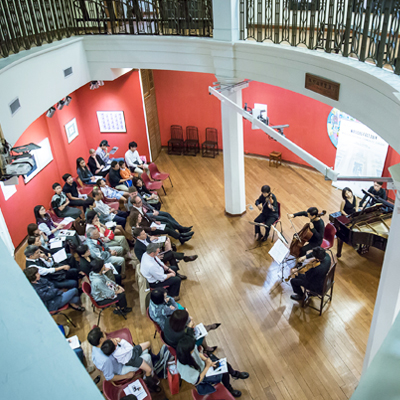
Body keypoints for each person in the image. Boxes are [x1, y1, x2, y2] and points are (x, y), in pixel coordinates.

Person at [176, 334, 248, 398]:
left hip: (204, 366)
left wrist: (206, 359)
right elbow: (197, 381)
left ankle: (235, 374)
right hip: (202, 377)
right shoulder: (185, 369)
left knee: (224, 364)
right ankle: (229, 388)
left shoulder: (187, 349)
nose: (194, 347)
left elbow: (197, 353)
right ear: (188, 351)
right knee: (224, 372)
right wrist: (207, 366)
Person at [127, 187, 193, 233]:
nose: (134, 195)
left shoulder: (138, 196)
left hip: (150, 211)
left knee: (167, 214)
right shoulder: (131, 205)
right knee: (166, 219)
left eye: (135, 193)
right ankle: (180, 229)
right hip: (149, 216)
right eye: (132, 194)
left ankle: (180, 228)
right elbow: (142, 216)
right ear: (129, 194)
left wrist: (153, 209)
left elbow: (146, 204)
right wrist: (153, 214)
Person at [132, 226, 197, 265]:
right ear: (138, 237)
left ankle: (176, 272)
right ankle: (184, 258)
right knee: (170, 254)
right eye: (143, 234)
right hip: (153, 259)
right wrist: (155, 257)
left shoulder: (146, 238)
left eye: (145, 233)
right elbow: (142, 260)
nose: (145, 235)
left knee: (170, 255)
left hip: (157, 253)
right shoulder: (137, 247)